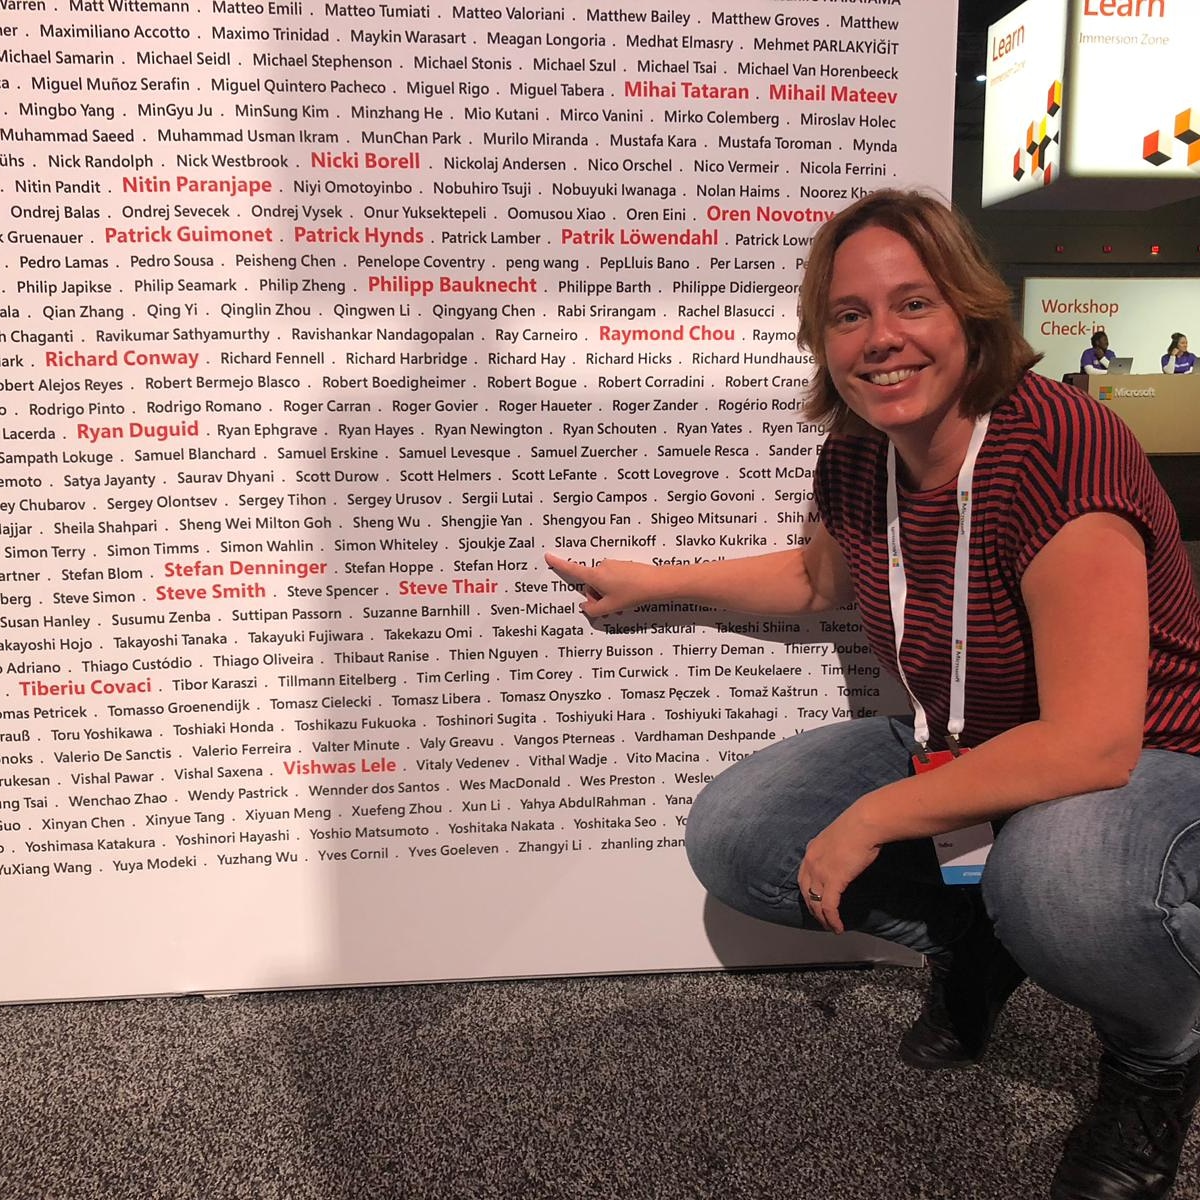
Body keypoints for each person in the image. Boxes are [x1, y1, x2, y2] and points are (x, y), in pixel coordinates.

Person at [546, 189, 1200, 1200]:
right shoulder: (859, 450)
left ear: (971, 312)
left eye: (913, 304)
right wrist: (658, 583)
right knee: (740, 837)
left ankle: (1157, 1058)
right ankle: (983, 943)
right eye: (849, 314)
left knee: (1058, 878)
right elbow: (821, 580)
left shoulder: (1061, 444)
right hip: (967, 735)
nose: (881, 338)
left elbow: (1092, 743)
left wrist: (875, 815)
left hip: (1146, 759)